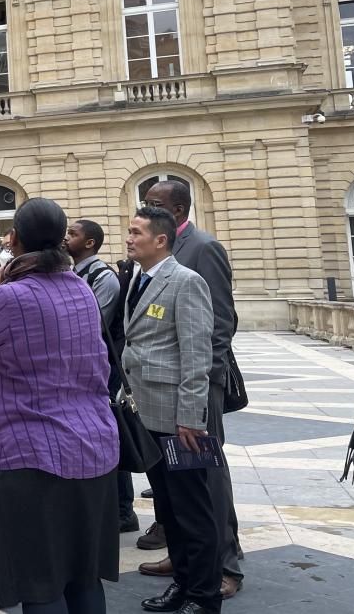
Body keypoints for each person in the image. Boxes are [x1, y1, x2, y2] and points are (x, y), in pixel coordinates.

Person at [0, 198, 119, 614]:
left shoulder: (9, 296)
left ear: (14, 239)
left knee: (40, 584)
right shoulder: (81, 288)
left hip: (27, 455)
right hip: (93, 447)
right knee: (83, 577)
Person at [139, 181, 243, 598]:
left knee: (206, 476)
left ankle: (226, 565)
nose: (146, 209)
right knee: (172, 477)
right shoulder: (156, 250)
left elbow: (221, 323)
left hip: (197, 387)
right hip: (161, 388)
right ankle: (186, 557)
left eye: (154, 203)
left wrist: (203, 389)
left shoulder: (203, 248)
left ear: (178, 208)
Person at [122, 206, 220, 614]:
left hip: (179, 422)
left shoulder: (185, 281)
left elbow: (197, 355)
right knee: (170, 510)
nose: (128, 239)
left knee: (193, 512)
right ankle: (181, 584)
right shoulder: (139, 280)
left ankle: (204, 595)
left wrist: (190, 419)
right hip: (150, 414)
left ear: (160, 240)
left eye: (135, 232)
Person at [65, 220, 140, 535]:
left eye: (73, 233)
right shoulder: (74, 274)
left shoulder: (102, 277)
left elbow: (93, 327)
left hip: (102, 371)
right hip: (82, 371)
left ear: (90, 243)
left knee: (112, 435)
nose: (66, 237)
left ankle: (124, 510)